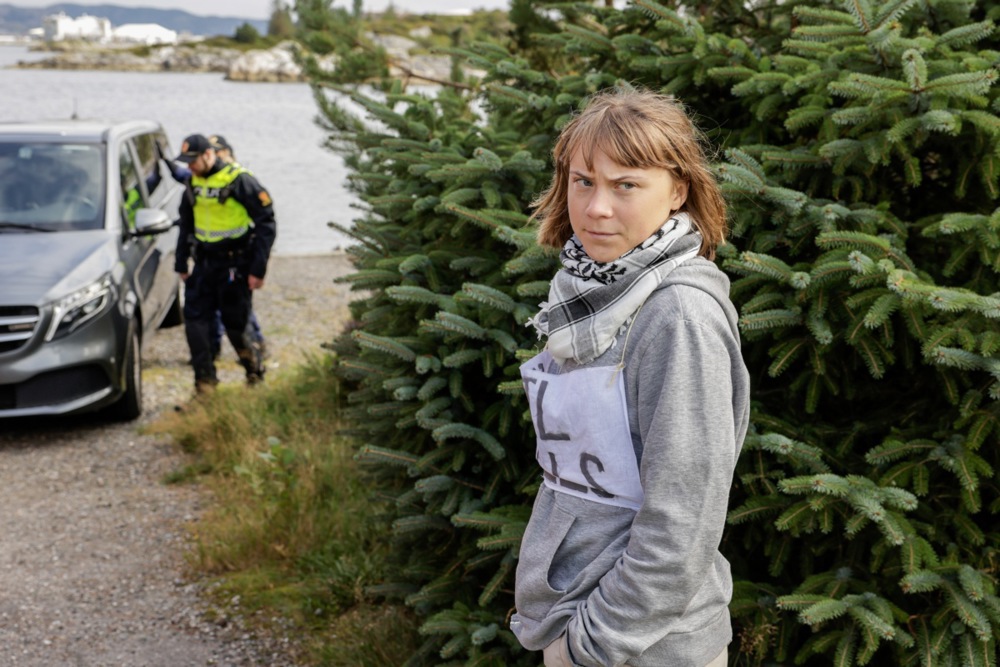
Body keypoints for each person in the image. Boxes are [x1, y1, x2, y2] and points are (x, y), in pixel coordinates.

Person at [511, 88, 751, 667]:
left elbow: (682, 524)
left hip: (644, 646)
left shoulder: (678, 317)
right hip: (576, 622)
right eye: (583, 181)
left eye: (626, 185)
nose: (597, 207)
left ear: (678, 191)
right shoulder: (588, 294)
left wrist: (589, 646)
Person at [173, 133, 276, 392]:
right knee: (195, 324)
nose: (189, 167)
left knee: (236, 326)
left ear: (208, 154)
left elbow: (266, 223)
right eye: (186, 162)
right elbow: (186, 224)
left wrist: (258, 269)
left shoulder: (239, 180)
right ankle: (205, 385)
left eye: (193, 161)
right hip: (204, 264)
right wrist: (181, 262)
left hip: (235, 265)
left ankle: (254, 373)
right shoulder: (192, 183)